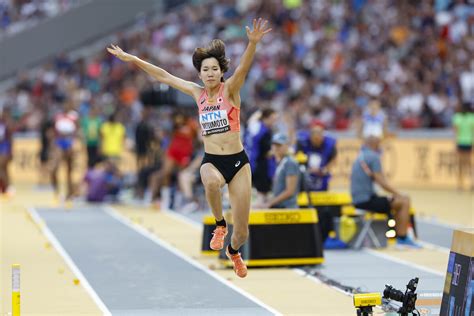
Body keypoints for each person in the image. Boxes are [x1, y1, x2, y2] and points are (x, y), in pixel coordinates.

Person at [107, 17, 272, 278]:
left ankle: (233, 250)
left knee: (242, 231)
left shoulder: (230, 90)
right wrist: (134, 59)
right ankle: (219, 224)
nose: (210, 73)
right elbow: (164, 75)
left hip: (239, 163)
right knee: (210, 182)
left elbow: (242, 70)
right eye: (205, 70)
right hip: (213, 160)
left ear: (221, 72)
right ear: (199, 74)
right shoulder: (197, 93)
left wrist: (252, 44)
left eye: (214, 69)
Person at [350, 130, 420, 248]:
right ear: (375, 144)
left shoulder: (361, 156)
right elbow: (382, 182)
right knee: (404, 201)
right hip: (367, 201)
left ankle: (399, 235)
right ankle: (402, 238)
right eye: (379, 144)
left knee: (396, 202)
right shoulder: (373, 157)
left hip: (358, 200)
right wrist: (399, 193)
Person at [245, 107, 278, 204]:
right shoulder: (262, 131)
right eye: (272, 119)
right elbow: (266, 152)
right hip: (261, 165)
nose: (274, 122)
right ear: (265, 118)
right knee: (262, 195)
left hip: (254, 163)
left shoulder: (256, 128)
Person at [259, 133, 300, 209]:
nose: (275, 148)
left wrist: (270, 203)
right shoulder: (278, 162)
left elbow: (290, 191)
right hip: (280, 207)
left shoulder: (289, 163)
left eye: (279, 145)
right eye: (274, 145)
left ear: (287, 146)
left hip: (288, 208)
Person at [296, 120, 337, 191]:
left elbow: (333, 159)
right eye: (314, 139)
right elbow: (296, 157)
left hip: (321, 175)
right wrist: (305, 168)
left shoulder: (330, 144)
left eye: (318, 139)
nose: (316, 142)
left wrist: (325, 169)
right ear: (310, 137)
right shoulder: (302, 142)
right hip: (306, 174)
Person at [50, 101, 79, 200]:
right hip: (59, 143)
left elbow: (77, 131)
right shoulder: (58, 117)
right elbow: (54, 132)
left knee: (69, 170)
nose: (67, 107)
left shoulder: (74, 117)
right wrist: (53, 144)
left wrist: (75, 144)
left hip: (69, 143)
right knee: (53, 168)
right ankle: (56, 190)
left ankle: (69, 193)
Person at [452, 102, 474, 191]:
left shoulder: (457, 117)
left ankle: (460, 185)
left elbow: (455, 133)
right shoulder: (471, 117)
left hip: (461, 143)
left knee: (461, 165)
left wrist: (455, 144)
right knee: (468, 164)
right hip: (468, 143)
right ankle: (469, 184)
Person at [0, 107, 14, 194]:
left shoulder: (6, 124)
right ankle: (5, 187)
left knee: (1, 168)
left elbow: (10, 138)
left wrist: (10, 151)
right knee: (4, 169)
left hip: (5, 147)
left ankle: (8, 187)